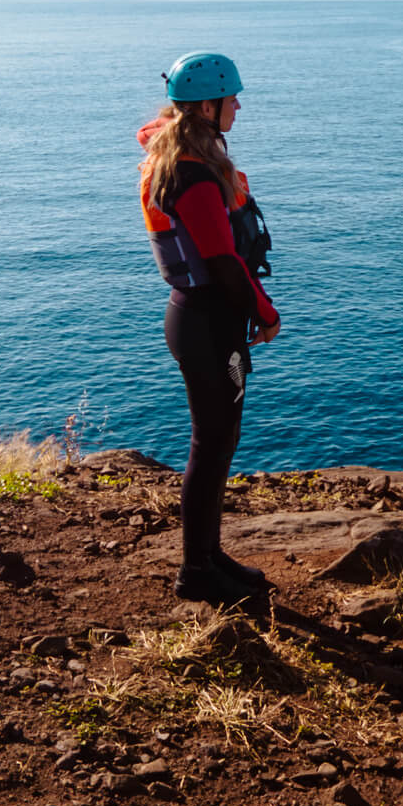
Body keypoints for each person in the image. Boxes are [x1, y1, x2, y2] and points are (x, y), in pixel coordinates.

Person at [138, 50, 280, 606]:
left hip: (204, 320)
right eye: (232, 99)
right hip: (205, 323)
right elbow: (223, 260)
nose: (238, 106)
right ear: (206, 105)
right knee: (211, 443)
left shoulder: (183, 157)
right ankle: (196, 570)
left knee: (219, 442)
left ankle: (210, 556)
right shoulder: (191, 177)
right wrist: (266, 314)